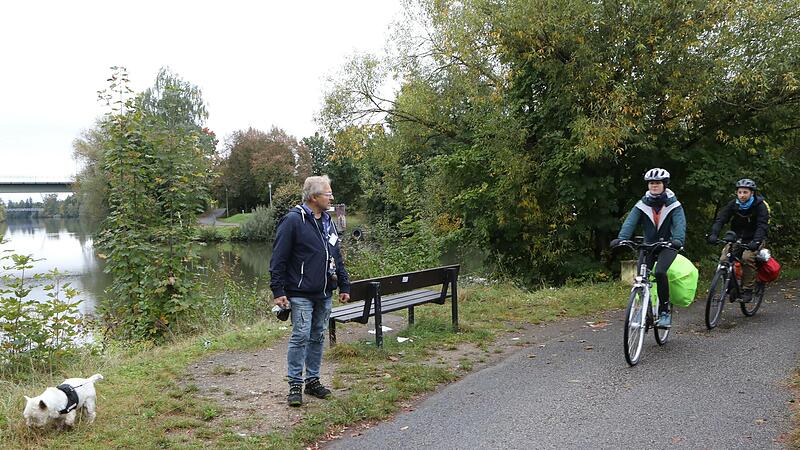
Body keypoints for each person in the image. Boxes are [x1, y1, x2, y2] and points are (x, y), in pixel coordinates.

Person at [269, 175, 351, 407]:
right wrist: (278, 289)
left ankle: (312, 381)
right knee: (301, 335)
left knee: (317, 335)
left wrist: (344, 285)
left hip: (324, 292)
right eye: (328, 194)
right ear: (314, 197)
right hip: (300, 292)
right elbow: (278, 259)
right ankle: (295, 384)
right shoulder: (293, 221)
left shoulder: (328, 221)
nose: (331, 197)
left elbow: (336, 256)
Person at [611, 168, 686, 328]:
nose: (654, 185)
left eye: (657, 183)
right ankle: (646, 311)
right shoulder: (642, 204)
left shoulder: (674, 205)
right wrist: (622, 239)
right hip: (649, 246)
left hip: (668, 246)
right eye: (651, 183)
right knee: (641, 277)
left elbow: (680, 224)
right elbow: (630, 222)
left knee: (660, 272)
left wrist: (678, 240)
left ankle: (665, 312)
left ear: (664, 184)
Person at [707, 178, 769, 302]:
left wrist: (756, 242)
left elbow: (762, 225)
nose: (742, 195)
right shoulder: (733, 205)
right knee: (724, 259)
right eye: (740, 192)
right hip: (736, 238)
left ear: (752, 193)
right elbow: (721, 219)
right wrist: (713, 234)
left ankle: (747, 290)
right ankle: (730, 287)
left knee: (747, 258)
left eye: (745, 192)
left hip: (754, 238)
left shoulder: (760, 206)